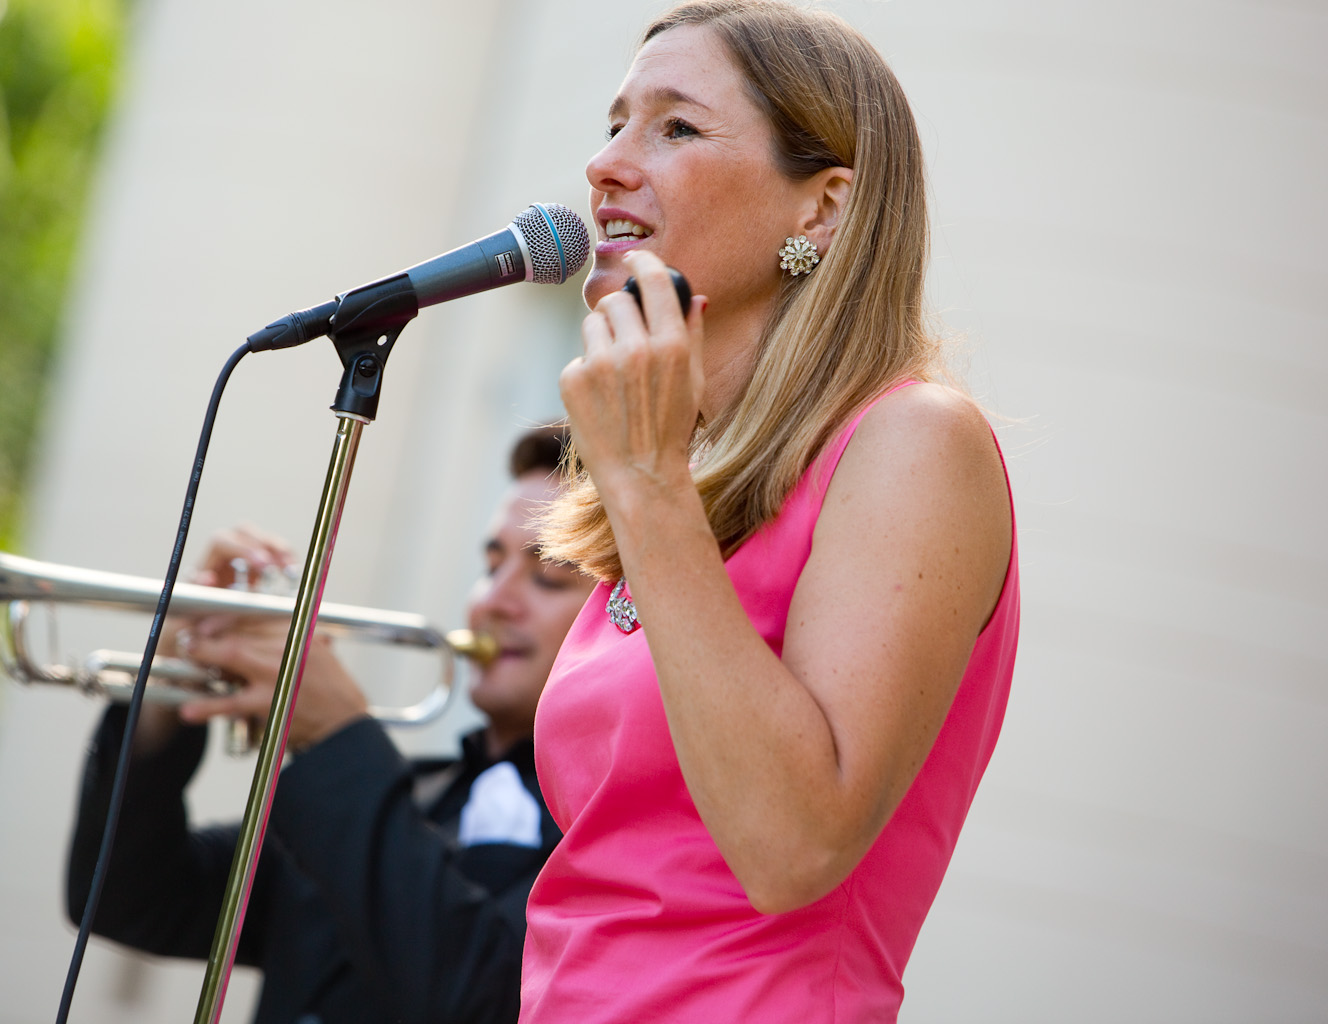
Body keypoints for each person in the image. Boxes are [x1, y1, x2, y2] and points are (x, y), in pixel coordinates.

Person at [519, 3, 1019, 1022]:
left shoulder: (915, 441)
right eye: (614, 124)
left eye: (676, 126)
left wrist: (648, 484)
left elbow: (796, 846)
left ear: (823, 208)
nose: (606, 165)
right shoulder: (684, 479)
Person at [65, 425, 592, 1024]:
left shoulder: (622, 840)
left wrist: (336, 738)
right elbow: (124, 897)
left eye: (549, 573)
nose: (493, 600)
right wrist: (168, 688)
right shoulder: (411, 798)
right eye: (491, 565)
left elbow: (484, 1000)